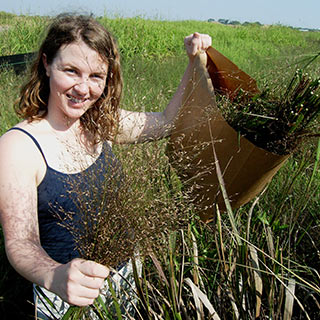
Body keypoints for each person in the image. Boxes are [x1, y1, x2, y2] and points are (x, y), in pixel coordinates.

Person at [0, 13, 211, 318]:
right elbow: (21, 243)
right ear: (46, 64)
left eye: (96, 76)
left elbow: (167, 122)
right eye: (71, 71)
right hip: (64, 297)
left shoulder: (100, 124)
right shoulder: (17, 146)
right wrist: (53, 275)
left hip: (124, 281)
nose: (83, 89)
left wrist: (193, 62)